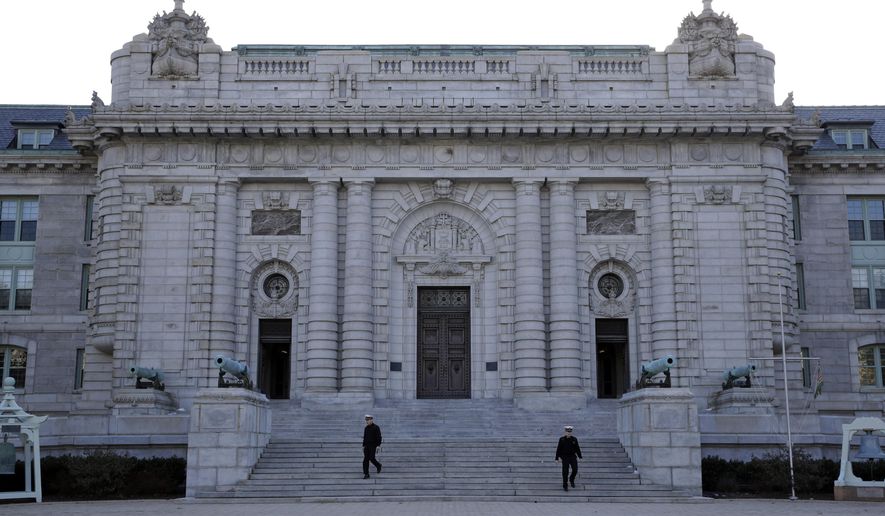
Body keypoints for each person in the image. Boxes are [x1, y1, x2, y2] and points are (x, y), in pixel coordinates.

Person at [555, 425, 582, 491]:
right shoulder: (562, 439)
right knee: (565, 471)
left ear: (571, 432)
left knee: (575, 469)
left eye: (570, 432)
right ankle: (565, 485)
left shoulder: (574, 439)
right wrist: (556, 458)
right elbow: (558, 449)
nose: (568, 433)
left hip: (572, 456)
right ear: (565, 432)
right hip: (565, 457)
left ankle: (571, 479)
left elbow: (577, 448)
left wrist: (580, 456)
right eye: (567, 432)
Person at [362, 414, 382, 479]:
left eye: (368, 420)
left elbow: (379, 437)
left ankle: (378, 465)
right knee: (365, 460)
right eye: (366, 420)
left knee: (372, 458)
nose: (367, 421)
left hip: (373, 445)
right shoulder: (366, 428)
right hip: (366, 446)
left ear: (371, 420)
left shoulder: (376, 427)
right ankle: (366, 474)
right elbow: (365, 437)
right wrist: (363, 445)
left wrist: (378, 445)